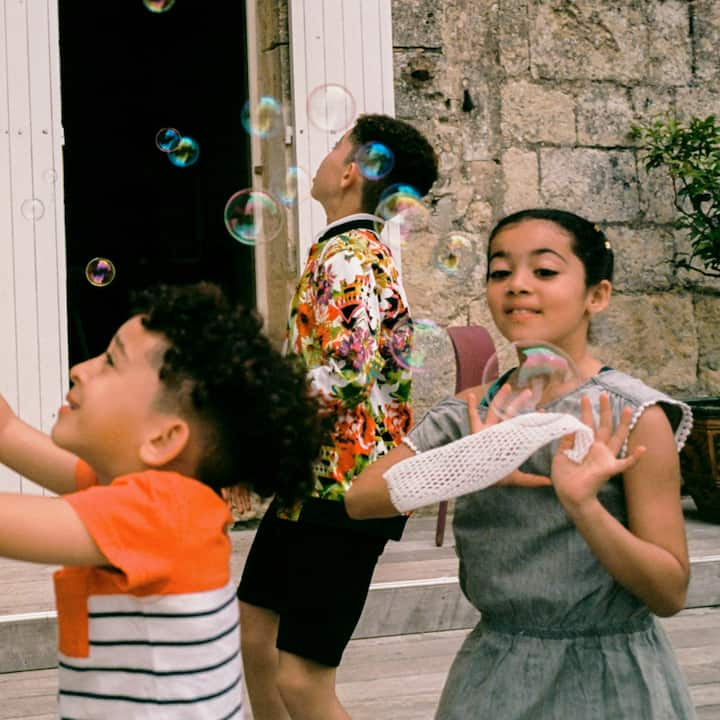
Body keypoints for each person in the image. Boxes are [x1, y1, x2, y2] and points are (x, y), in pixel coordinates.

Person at [345, 208, 697, 719]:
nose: (517, 286)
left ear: (596, 295)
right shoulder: (472, 412)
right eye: (500, 271)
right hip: (497, 676)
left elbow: (669, 591)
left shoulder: (631, 416)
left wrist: (583, 506)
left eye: (545, 271)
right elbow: (361, 498)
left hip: (611, 681)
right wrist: (478, 458)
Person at [0, 281, 324, 719]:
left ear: (164, 437)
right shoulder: (153, 498)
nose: (80, 368)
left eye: (111, 361)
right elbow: (7, 433)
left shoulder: (163, 512)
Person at [234, 113, 439, 720]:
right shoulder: (344, 250)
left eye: (332, 149)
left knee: (302, 678)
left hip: (345, 493)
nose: (322, 159)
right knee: (256, 629)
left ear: (351, 172)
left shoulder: (349, 256)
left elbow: (344, 375)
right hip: (313, 485)